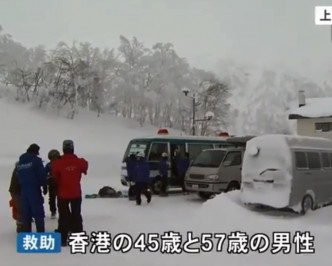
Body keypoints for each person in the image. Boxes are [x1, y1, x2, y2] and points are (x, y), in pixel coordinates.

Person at [51, 140, 88, 246]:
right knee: (76, 214)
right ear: (72, 148)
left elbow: (54, 176)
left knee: (63, 216)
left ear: (63, 149)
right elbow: (85, 166)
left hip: (62, 194)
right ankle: (78, 237)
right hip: (75, 193)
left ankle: (63, 239)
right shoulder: (80, 161)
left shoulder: (57, 163)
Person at [15, 143, 47, 232]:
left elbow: (18, 177)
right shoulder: (36, 161)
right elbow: (41, 175)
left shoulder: (20, 163)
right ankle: (41, 236)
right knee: (38, 214)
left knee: (26, 215)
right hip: (34, 190)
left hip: (23, 192)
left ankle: (27, 236)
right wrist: (44, 185)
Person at [43, 149, 61, 219]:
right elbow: (44, 175)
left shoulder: (50, 165)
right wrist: (45, 186)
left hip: (58, 184)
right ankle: (53, 211)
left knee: (59, 199)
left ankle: (56, 211)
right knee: (52, 198)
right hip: (52, 184)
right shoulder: (48, 165)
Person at [8, 165, 26, 232]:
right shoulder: (22, 169)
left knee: (19, 208)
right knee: (20, 209)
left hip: (15, 191)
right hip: (17, 191)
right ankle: (20, 227)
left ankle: (21, 225)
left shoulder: (18, 168)